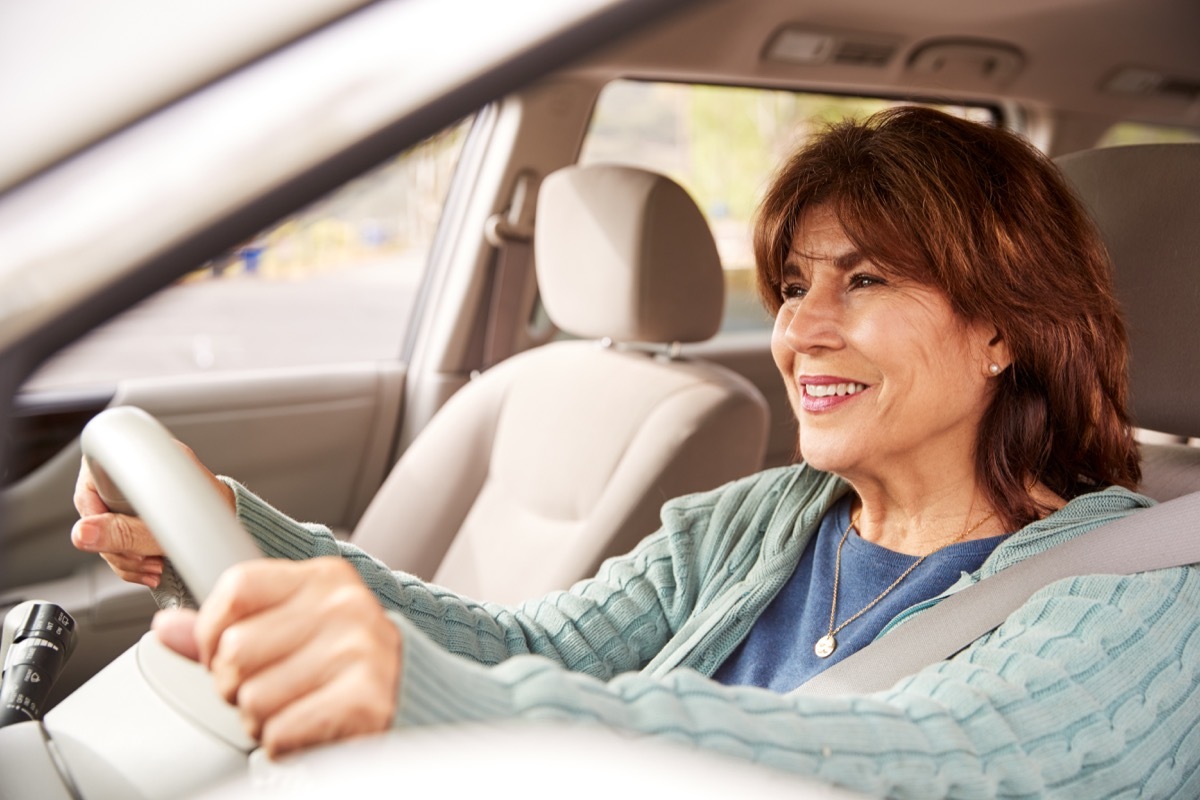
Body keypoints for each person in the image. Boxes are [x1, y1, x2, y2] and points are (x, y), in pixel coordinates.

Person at [72, 107, 1200, 797]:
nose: (801, 328)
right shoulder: (756, 519)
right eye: (795, 283)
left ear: (1002, 324)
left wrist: (459, 706)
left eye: (866, 279)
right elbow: (518, 645)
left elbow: (925, 762)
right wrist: (220, 525)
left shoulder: (1144, 590)